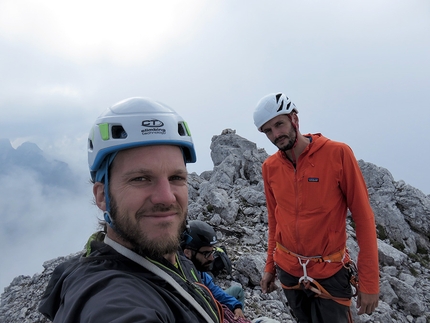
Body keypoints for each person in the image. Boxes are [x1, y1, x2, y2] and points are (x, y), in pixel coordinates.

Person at [38, 97, 222, 323]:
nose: (166, 196)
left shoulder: (172, 258)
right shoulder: (110, 299)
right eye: (141, 178)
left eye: (176, 178)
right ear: (103, 196)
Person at [253, 93, 379, 322]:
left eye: (279, 124)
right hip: (289, 271)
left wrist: (370, 282)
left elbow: (364, 218)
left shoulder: (338, 154)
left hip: (329, 272)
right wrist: (270, 265)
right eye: (268, 131)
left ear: (294, 119)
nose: (276, 135)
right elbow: (275, 220)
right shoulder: (270, 167)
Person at [181, 220, 246, 320]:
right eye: (206, 253)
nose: (212, 258)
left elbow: (215, 292)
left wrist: (236, 306)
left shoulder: (200, 272)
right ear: (187, 253)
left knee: (238, 290)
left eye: (212, 252)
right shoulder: (179, 278)